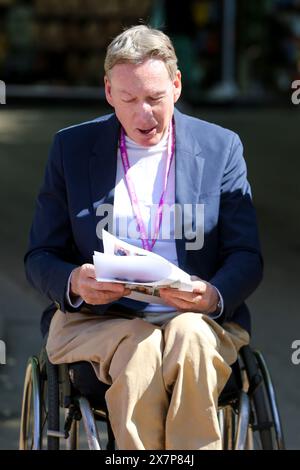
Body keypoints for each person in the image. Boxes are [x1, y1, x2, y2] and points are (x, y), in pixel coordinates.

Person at [24, 25, 263, 450]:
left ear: (176, 85)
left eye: (155, 98)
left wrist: (213, 295)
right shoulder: (72, 149)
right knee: (140, 347)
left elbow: (245, 253)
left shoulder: (220, 147)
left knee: (189, 336)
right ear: (108, 92)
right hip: (99, 321)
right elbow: (41, 254)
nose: (143, 115)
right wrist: (76, 282)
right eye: (129, 99)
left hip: (198, 319)